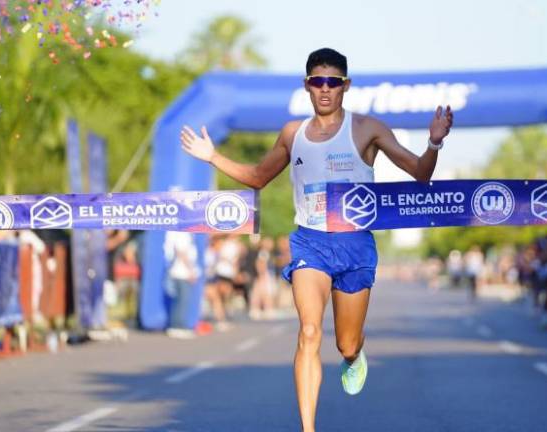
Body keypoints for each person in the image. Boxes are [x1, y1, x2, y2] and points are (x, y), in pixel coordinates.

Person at [180, 47, 453, 431]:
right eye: (317, 81)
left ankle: (355, 355)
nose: (325, 89)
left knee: (346, 343)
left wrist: (435, 143)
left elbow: (420, 173)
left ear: (346, 86)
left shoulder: (368, 129)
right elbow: (259, 177)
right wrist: (212, 157)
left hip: (355, 244)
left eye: (333, 82)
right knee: (308, 331)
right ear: (307, 86)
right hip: (311, 243)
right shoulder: (293, 134)